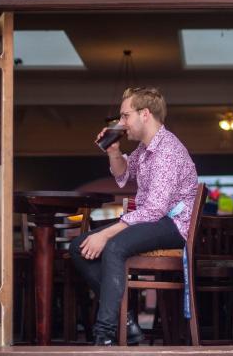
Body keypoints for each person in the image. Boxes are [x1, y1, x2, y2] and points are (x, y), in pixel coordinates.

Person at [70, 87, 199, 346]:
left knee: (114, 245)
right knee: (78, 247)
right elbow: (123, 175)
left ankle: (104, 334)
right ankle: (126, 322)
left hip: (173, 225)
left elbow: (154, 210)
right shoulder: (145, 147)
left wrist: (106, 234)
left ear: (145, 114)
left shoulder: (168, 151)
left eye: (125, 116)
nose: (120, 123)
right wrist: (113, 151)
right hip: (155, 221)